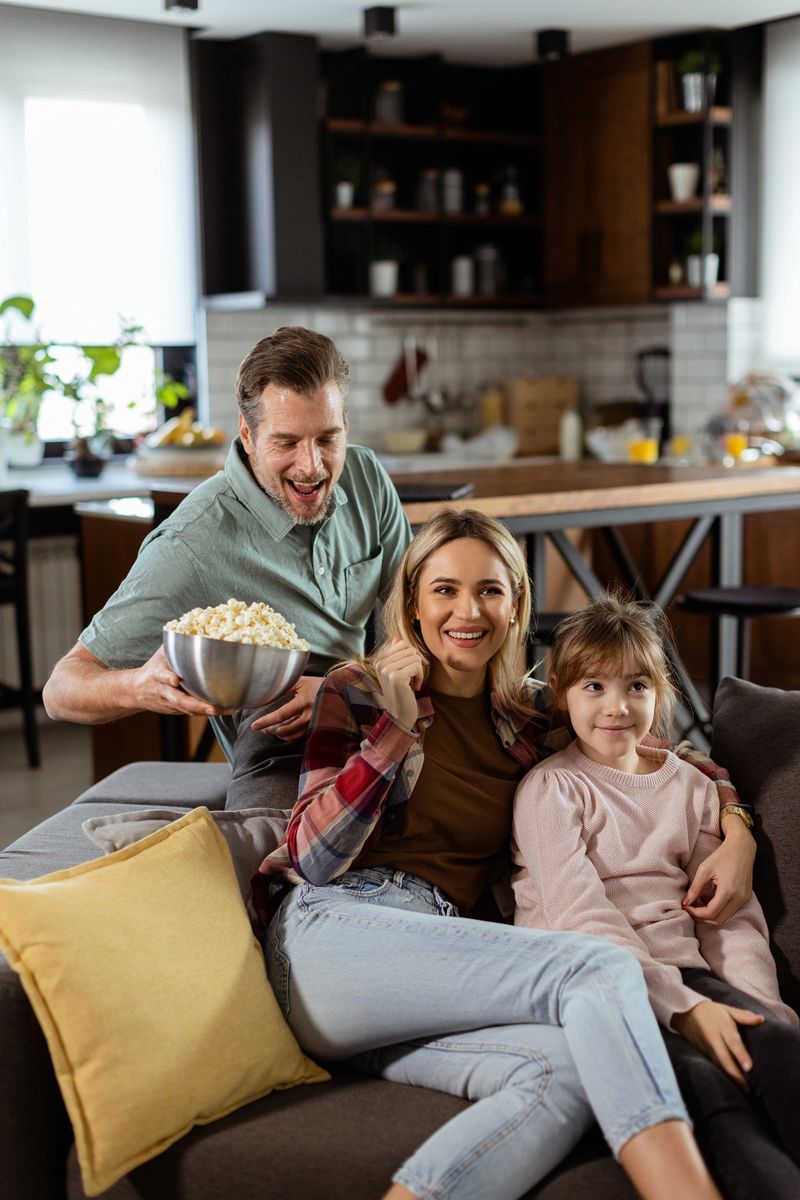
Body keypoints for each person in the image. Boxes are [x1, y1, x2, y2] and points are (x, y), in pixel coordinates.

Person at [255, 509, 724, 1200]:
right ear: (412, 604)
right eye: (444, 589)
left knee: (565, 1070)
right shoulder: (354, 692)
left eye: (490, 591)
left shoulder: (533, 716)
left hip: (429, 976)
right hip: (334, 941)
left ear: (516, 606)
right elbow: (314, 858)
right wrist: (396, 729)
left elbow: (655, 749)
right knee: (598, 967)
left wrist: (736, 820)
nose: (466, 610)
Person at [512, 592, 800, 1200]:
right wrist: (683, 1009)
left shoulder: (692, 787)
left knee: (776, 1048)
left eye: (636, 685)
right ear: (562, 691)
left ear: (660, 689)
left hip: (690, 972)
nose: (617, 707)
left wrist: (759, 1005)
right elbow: (579, 916)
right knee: (712, 1091)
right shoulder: (551, 789)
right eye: (594, 686)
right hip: (602, 986)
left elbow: (727, 917)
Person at [42, 326, 411, 779]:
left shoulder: (366, 475)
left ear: (345, 428)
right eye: (287, 442)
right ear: (249, 435)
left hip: (383, 713)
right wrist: (139, 685)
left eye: (327, 439)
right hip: (285, 755)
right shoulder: (192, 544)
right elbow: (61, 689)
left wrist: (348, 690)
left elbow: (415, 615)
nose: (312, 466)